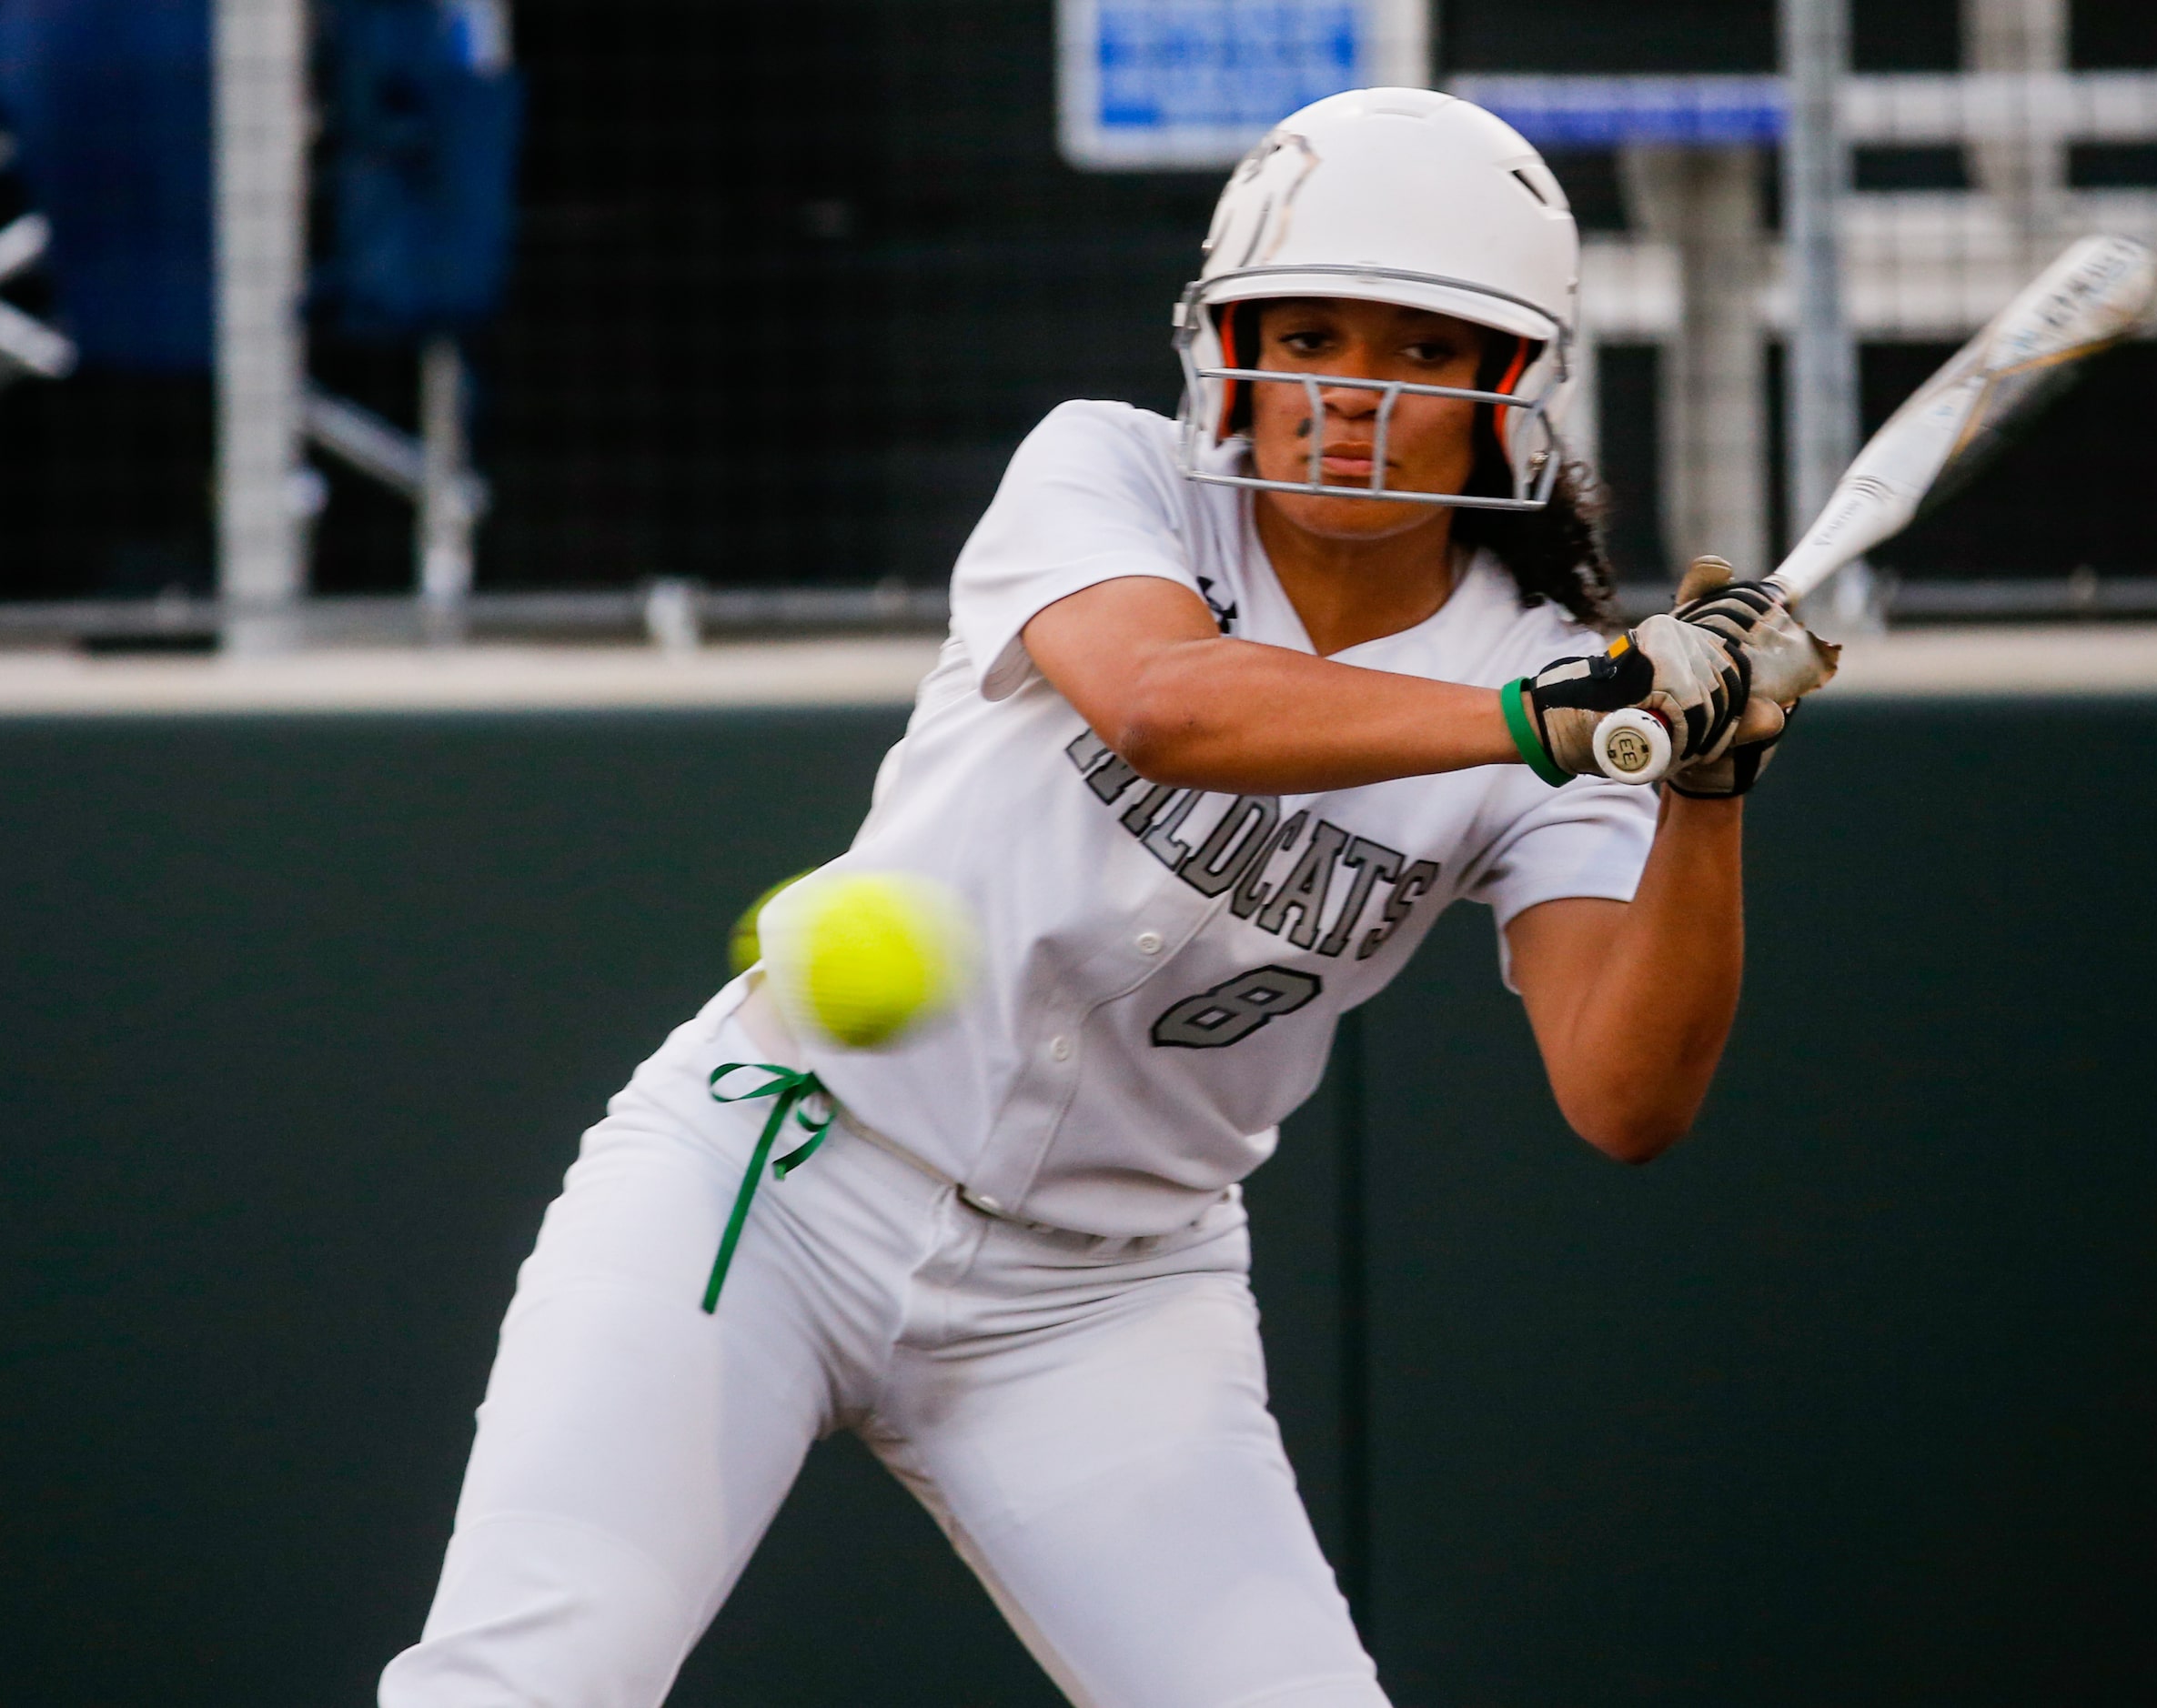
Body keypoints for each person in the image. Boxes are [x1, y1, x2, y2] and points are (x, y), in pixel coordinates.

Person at [378, 86, 1831, 1708]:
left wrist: (1704, 788)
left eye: (1420, 351)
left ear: (1510, 388)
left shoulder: (1556, 678)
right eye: (1311, 332)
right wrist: (1557, 724)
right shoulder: (1110, 471)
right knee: (525, 1680)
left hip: (1107, 1292)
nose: (1349, 393)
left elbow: (1623, 1093)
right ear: (1226, 337)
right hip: (774, 1173)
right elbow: (1162, 700)